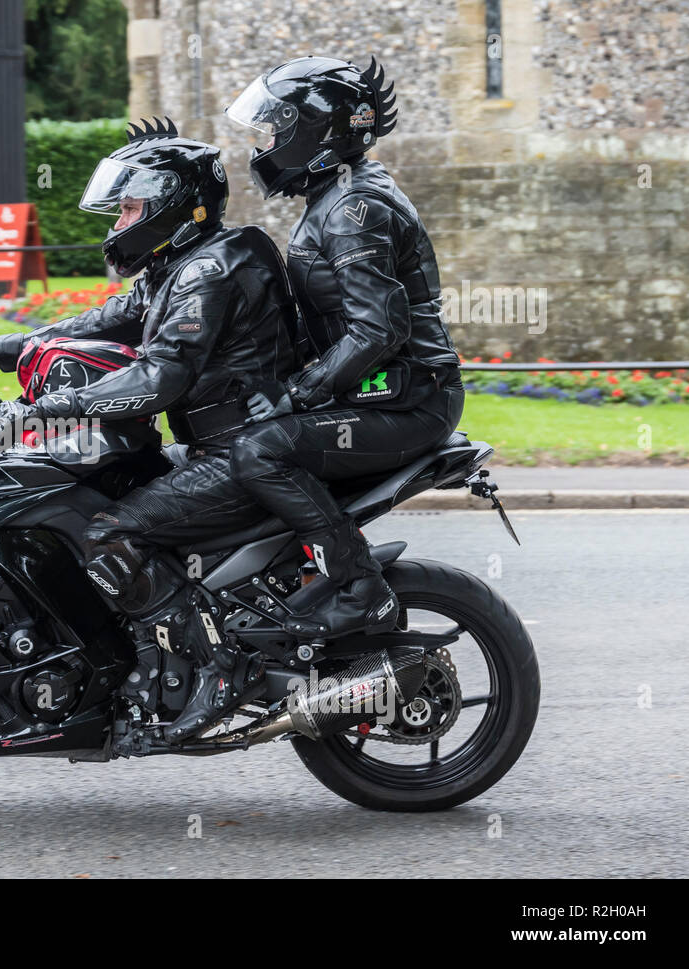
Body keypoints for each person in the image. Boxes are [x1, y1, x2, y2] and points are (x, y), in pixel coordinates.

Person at [0, 118, 298, 744]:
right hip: (221, 442)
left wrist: (41, 411)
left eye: (130, 208)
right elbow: (99, 322)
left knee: (109, 529)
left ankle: (217, 669)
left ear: (172, 206)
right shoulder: (181, 265)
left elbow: (157, 381)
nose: (118, 223)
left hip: (241, 450)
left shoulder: (207, 272)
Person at [223, 55, 464, 640]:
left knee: (261, 452)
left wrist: (296, 394)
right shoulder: (334, 196)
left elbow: (378, 328)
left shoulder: (353, 210)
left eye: (277, 128)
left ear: (317, 129)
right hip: (384, 390)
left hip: (407, 399)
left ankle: (358, 587)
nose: (266, 144)